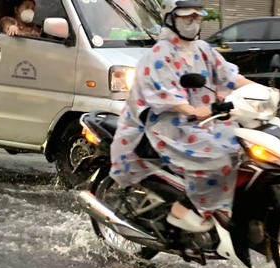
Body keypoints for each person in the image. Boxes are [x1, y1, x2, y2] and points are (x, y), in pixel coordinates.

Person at [108, 0, 256, 232]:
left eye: (197, 18)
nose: (194, 23)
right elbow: (166, 96)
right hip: (167, 125)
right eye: (187, 17)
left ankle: (223, 212)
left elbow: (229, 76)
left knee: (243, 150)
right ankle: (184, 209)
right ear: (171, 18)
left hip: (204, 122)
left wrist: (260, 91)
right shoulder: (158, 54)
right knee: (219, 157)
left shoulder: (203, 49)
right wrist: (192, 111)